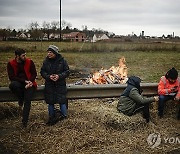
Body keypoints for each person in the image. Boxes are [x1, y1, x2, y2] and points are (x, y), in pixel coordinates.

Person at [7, 48, 37, 127]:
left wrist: (30, 82)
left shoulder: (29, 62)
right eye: (23, 55)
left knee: (28, 101)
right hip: (20, 83)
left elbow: (34, 74)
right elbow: (12, 77)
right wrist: (24, 82)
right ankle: (20, 98)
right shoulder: (10, 63)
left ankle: (24, 122)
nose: (25, 57)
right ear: (17, 56)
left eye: (25, 55)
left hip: (30, 83)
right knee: (13, 85)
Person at [40, 45, 70, 126]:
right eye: (48, 52)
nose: (48, 54)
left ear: (55, 53)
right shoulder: (46, 61)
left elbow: (67, 72)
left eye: (50, 52)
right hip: (49, 84)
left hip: (60, 84)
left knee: (62, 101)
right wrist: (48, 77)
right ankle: (51, 118)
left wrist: (59, 76)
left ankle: (64, 119)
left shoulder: (62, 61)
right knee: (50, 102)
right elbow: (42, 72)